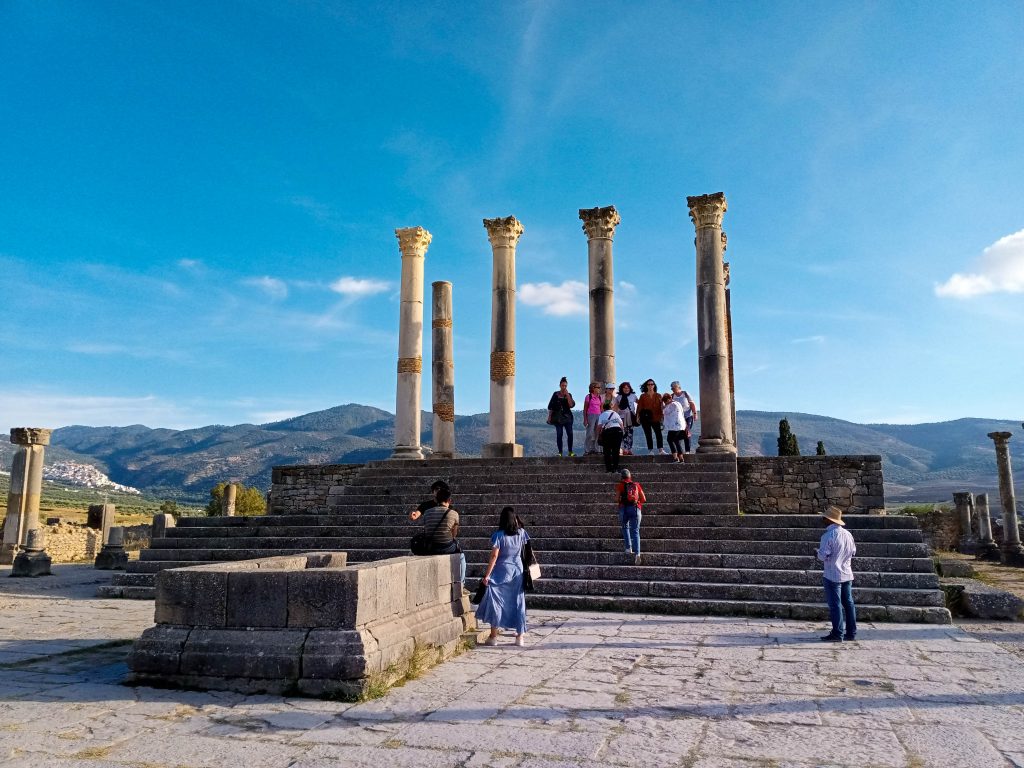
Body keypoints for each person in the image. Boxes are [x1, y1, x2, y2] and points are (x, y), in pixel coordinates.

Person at [476, 506, 529, 647]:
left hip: (501, 570)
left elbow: (494, 556)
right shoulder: (522, 533)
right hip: (517, 570)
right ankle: (520, 637)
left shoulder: (498, 535)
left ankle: (493, 636)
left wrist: (487, 575)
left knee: (496, 601)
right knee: (519, 602)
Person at [816, 505, 857, 642]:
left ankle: (837, 633)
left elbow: (823, 556)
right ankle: (851, 632)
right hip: (847, 573)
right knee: (849, 603)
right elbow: (853, 552)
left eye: (824, 517)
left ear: (829, 520)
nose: (822, 518)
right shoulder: (848, 534)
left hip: (832, 574)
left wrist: (817, 553)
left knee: (835, 605)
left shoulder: (828, 536)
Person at [413, 488, 465, 583]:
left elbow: (427, 529)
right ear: (449, 500)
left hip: (430, 547)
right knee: (461, 556)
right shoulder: (454, 514)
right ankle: (461, 583)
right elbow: (454, 534)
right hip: (446, 547)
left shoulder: (427, 512)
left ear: (436, 500)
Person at [614, 469, 646, 564]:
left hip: (624, 509)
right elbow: (644, 499)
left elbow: (616, 499)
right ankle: (638, 554)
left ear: (622, 477)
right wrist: (636, 501)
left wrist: (621, 500)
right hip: (635, 509)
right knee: (635, 531)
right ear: (630, 476)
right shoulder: (636, 485)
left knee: (625, 527)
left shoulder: (620, 485)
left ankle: (628, 548)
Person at [546, 376, 576, 457]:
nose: (564, 387)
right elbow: (551, 406)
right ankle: (560, 452)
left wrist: (567, 395)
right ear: (560, 385)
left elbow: (571, 405)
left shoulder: (569, 395)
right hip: (558, 418)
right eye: (562, 385)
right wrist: (549, 417)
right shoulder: (555, 394)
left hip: (568, 417)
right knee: (559, 434)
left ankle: (570, 451)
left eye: (565, 386)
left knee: (570, 433)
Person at [636, 379, 666, 454]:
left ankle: (661, 450)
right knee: (648, 434)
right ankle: (650, 450)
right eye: (648, 384)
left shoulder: (658, 395)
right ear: (646, 386)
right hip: (645, 418)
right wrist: (637, 416)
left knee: (658, 433)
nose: (650, 386)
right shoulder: (643, 396)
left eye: (652, 384)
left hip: (657, 417)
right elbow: (639, 407)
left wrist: (663, 417)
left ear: (654, 385)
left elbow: (662, 406)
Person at [669, 381, 698, 453]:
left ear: (678, 387)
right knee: (678, 434)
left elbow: (692, 404)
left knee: (686, 431)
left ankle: (687, 451)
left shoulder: (685, 394)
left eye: (673, 388)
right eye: (672, 388)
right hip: (678, 419)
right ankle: (680, 451)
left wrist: (695, 413)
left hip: (688, 416)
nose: (672, 389)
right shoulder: (672, 396)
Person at [595, 402, 624, 472]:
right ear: (611, 408)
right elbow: (621, 424)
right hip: (618, 431)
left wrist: (598, 435)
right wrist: (622, 433)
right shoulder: (616, 414)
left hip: (608, 432)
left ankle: (609, 469)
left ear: (603, 409)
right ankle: (615, 468)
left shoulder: (602, 415)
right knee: (616, 451)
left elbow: (599, 426)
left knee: (607, 451)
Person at [661, 392, 686, 462]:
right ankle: (681, 458)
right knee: (676, 441)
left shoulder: (672, 405)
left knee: (669, 440)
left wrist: (662, 405)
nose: (665, 402)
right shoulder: (678, 403)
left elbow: (664, 412)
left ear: (669, 399)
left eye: (666, 400)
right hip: (680, 425)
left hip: (674, 426)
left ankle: (675, 458)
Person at [615, 381, 638, 456]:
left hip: (630, 416)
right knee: (624, 433)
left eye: (627, 388)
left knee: (630, 433)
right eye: (624, 388)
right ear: (622, 389)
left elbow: (639, 403)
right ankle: (625, 449)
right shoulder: (618, 397)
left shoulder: (633, 395)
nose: (626, 389)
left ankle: (629, 449)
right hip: (622, 417)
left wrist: (638, 413)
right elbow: (616, 407)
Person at [582, 382, 603, 455]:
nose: (599, 389)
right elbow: (585, 409)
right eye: (598, 387)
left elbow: (601, 408)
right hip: (591, 415)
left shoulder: (599, 397)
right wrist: (585, 419)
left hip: (599, 415)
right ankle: (587, 449)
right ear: (593, 388)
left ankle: (597, 449)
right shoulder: (588, 397)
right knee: (590, 433)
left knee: (597, 433)